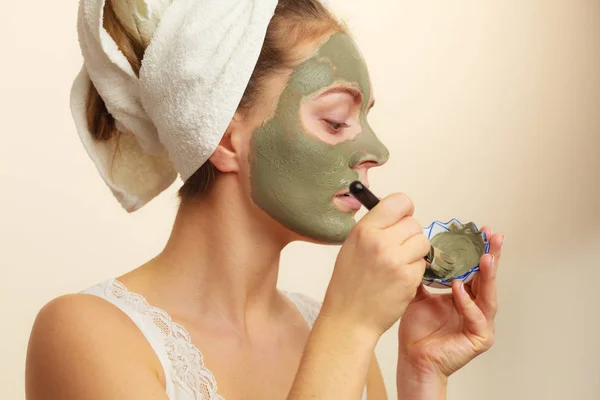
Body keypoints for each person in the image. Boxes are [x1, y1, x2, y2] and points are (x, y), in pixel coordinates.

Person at [25, 0, 504, 399]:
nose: (377, 151)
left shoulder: (324, 326)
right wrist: (351, 326)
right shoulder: (84, 334)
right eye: (336, 120)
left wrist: (422, 376)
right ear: (226, 137)